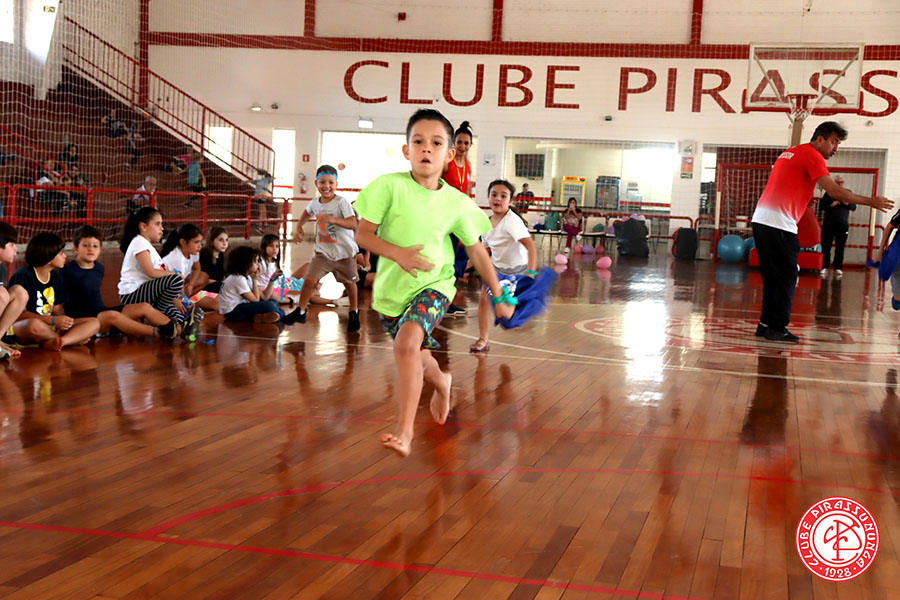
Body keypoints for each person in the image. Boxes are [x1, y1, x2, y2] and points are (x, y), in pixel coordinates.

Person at [354, 108, 514, 457]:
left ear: (450, 154)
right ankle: (442, 381)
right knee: (417, 354)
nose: (426, 148)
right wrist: (398, 253)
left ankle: (405, 431)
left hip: (436, 285)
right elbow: (363, 234)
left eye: (436, 143)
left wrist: (499, 294)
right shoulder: (388, 187)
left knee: (407, 345)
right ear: (406, 150)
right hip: (391, 291)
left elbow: (477, 251)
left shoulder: (457, 202)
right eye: (418, 141)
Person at [751, 121, 893, 343]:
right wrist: (871, 201)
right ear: (820, 139)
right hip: (779, 224)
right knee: (787, 276)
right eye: (834, 142)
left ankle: (765, 324)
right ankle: (777, 328)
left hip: (761, 220)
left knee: (772, 276)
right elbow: (835, 191)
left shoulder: (792, 152)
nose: (836, 148)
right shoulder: (812, 155)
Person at [62, 226, 180, 341]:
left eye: (95, 246)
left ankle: (179, 329)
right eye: (85, 245)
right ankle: (160, 332)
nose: (90, 249)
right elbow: (59, 303)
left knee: (143, 307)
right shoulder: (67, 270)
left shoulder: (99, 268)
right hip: (85, 321)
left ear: (100, 250)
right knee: (112, 315)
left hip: (100, 313)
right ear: (76, 248)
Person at [469, 180, 538, 353]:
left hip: (516, 271)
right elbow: (484, 250)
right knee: (484, 297)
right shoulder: (486, 222)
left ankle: (522, 305)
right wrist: (467, 266)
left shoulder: (512, 222)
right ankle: (483, 339)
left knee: (505, 316)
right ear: (488, 197)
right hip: (496, 269)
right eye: (494, 195)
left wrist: (530, 273)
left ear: (510, 200)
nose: (497, 199)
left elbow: (530, 246)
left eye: (503, 196)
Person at [291, 164, 361, 332]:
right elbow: (307, 212)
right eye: (322, 182)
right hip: (323, 253)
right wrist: (299, 226)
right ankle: (301, 311)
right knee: (309, 280)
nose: (326, 186)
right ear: (316, 183)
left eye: (331, 182)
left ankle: (354, 311)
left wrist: (333, 220)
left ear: (336, 184)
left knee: (350, 284)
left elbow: (353, 223)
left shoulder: (341, 202)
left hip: (344, 253)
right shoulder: (315, 203)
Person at [118, 207, 203, 341]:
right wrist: (175, 274)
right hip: (132, 294)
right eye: (157, 224)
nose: (162, 228)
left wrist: (175, 298)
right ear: (143, 226)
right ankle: (158, 313)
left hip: (147, 293)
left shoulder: (147, 245)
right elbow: (151, 272)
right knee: (175, 279)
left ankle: (184, 326)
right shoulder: (139, 242)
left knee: (180, 316)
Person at [8, 233, 100, 351]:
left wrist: (64, 323)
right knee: (34, 325)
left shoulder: (56, 276)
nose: (65, 255)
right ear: (49, 258)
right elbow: (19, 314)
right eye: (61, 253)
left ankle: (60, 341)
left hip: (50, 326)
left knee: (94, 322)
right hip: (23, 327)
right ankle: (68, 340)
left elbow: (57, 310)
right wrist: (53, 320)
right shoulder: (23, 275)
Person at [442, 120, 477, 314]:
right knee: (442, 259)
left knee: (453, 261)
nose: (463, 146)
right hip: (444, 218)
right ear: (453, 143)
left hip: (458, 218)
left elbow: (467, 192)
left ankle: (448, 300)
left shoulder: (468, 165)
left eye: (466, 143)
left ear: (470, 145)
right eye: (460, 142)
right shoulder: (447, 163)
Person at [217, 245, 301, 323]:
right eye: (255, 261)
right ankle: (282, 315)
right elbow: (255, 300)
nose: (258, 264)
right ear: (246, 263)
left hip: (240, 309)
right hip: (232, 313)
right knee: (270, 305)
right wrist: (255, 279)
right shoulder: (238, 278)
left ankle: (259, 317)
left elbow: (264, 297)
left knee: (273, 301)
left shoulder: (247, 277)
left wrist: (272, 279)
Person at [160, 223, 218, 312]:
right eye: (196, 242)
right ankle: (184, 301)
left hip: (183, 283)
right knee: (216, 304)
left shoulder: (194, 252)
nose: (200, 246)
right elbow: (176, 285)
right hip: (169, 290)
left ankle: (187, 297)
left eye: (201, 242)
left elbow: (196, 268)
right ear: (183, 242)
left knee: (204, 276)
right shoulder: (177, 259)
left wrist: (191, 284)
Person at [0, 221, 28, 359]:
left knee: (19, 292)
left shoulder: (2, 268)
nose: (16, 249)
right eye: (11, 245)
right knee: (1, 294)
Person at [819, 175, 856, 278]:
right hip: (828, 224)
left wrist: (846, 202)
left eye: (842, 182)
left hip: (842, 225)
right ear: (835, 183)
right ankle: (824, 266)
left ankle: (838, 267)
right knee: (826, 246)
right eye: (838, 182)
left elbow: (853, 207)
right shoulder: (829, 193)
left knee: (840, 247)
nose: (840, 184)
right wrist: (832, 204)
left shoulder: (847, 193)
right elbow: (821, 206)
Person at [257, 233, 303, 302]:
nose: (274, 249)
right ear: (264, 247)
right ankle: (290, 300)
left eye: (277, 246)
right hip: (264, 290)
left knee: (303, 294)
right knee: (272, 296)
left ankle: (292, 299)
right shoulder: (261, 262)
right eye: (271, 246)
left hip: (276, 288)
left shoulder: (275, 262)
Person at [199, 226, 227, 293]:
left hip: (217, 285)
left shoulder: (221, 255)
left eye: (226, 240)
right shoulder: (204, 255)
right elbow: (203, 280)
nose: (225, 243)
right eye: (221, 240)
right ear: (211, 241)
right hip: (205, 288)